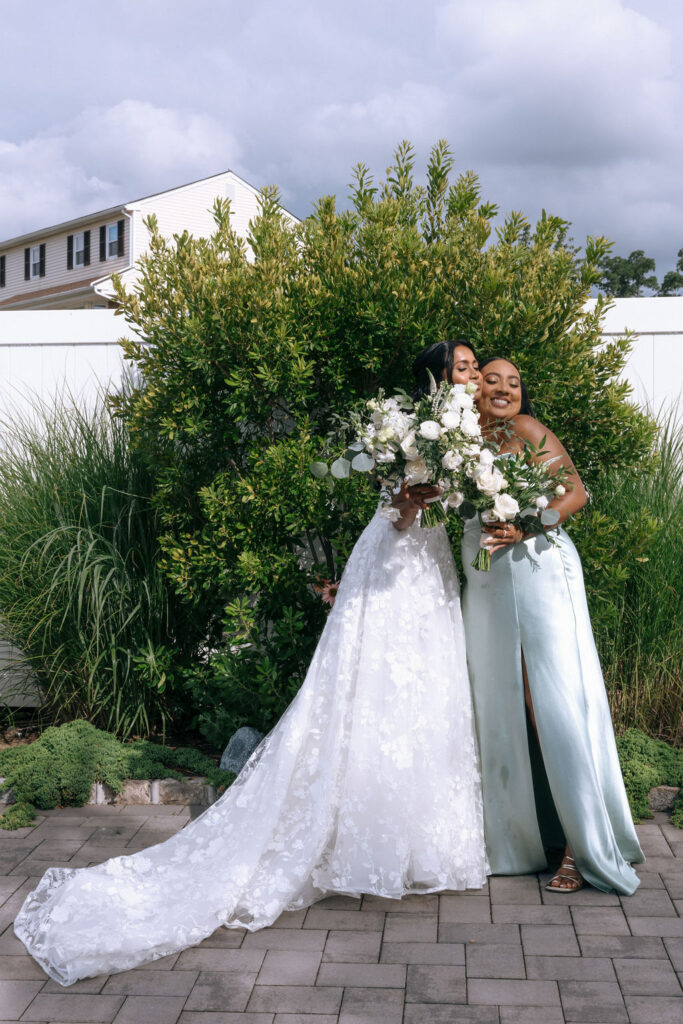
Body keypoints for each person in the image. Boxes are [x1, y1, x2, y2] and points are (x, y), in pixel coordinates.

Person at [13, 339, 489, 987]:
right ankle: (363, 843)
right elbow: (398, 507)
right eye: (460, 367)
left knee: (424, 693)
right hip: (396, 562)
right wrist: (415, 493)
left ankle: (420, 844)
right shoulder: (408, 426)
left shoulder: (473, 429)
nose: (468, 375)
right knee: (377, 691)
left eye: (471, 366)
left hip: (433, 570)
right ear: (436, 377)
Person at [461, 356, 644, 894]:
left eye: (514, 382)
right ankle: (516, 839)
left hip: (540, 569)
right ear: (472, 388)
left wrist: (526, 525)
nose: (504, 389)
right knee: (504, 702)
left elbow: (575, 493)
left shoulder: (527, 430)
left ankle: (580, 845)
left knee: (554, 704)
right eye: (491, 379)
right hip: (488, 579)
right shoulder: (458, 441)